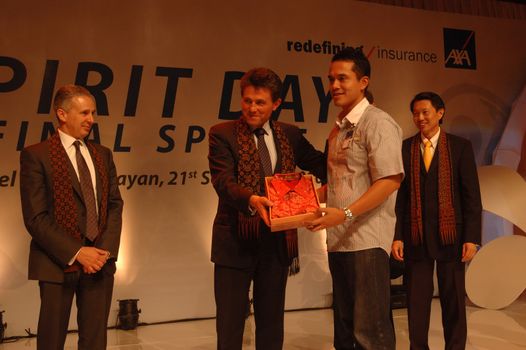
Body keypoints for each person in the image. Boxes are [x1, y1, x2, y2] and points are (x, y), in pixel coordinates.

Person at [208, 67, 326, 350]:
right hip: (235, 239)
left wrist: (327, 186)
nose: (252, 108)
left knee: (272, 323)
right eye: (247, 100)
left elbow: (321, 163)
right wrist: (251, 199)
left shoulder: (290, 134)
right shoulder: (222, 134)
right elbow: (223, 181)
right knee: (230, 323)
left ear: (275, 104)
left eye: (260, 102)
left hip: (276, 242)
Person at [307, 47, 403, 350]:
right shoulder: (336, 131)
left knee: (370, 334)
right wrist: (300, 202)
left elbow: (389, 180)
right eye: (331, 79)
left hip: (367, 241)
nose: (334, 85)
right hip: (338, 240)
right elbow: (337, 183)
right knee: (345, 332)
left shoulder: (378, 122)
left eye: (343, 78)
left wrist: (345, 213)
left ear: (363, 82)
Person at [20, 84, 123, 350]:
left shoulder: (103, 154)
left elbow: (114, 205)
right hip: (56, 263)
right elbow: (36, 218)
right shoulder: (36, 155)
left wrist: (103, 253)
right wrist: (78, 252)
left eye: (93, 113)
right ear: (62, 114)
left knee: (94, 341)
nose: (91, 119)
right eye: (85, 113)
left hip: (99, 263)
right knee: (52, 341)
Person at [391, 92, 482, 350]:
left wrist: (472, 238)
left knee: (453, 303)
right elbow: (400, 198)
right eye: (416, 113)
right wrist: (397, 235)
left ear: (440, 113)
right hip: (415, 237)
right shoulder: (405, 148)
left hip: (451, 237)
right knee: (416, 303)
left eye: (425, 112)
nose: (420, 118)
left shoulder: (460, 147)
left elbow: (471, 197)